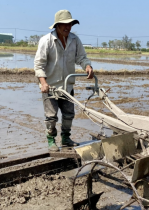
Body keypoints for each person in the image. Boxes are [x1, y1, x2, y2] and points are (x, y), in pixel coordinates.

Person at [34, 10, 94, 152]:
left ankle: (66, 138)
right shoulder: (46, 41)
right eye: (64, 24)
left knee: (68, 114)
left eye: (70, 24)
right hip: (51, 86)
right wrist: (43, 83)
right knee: (51, 116)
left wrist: (87, 65)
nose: (68, 27)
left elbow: (81, 57)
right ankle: (51, 140)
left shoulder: (74, 40)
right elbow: (39, 64)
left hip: (67, 86)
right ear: (57, 25)